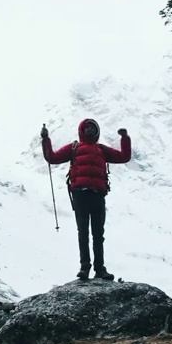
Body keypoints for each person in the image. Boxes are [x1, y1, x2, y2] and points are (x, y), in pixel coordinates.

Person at [41, 119, 131, 281]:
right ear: (82, 130)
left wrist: (125, 138)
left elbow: (124, 157)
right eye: (87, 127)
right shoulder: (80, 148)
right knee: (86, 232)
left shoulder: (96, 149)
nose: (89, 129)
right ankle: (88, 267)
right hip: (84, 194)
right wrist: (45, 140)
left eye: (92, 127)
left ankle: (96, 268)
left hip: (92, 194)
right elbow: (52, 158)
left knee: (95, 233)